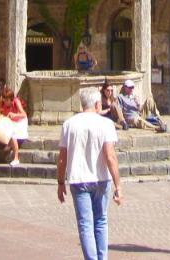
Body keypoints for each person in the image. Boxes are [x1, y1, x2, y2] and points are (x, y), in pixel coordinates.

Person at [57, 86, 123, 260]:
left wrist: (60, 182)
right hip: (101, 178)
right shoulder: (106, 124)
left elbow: (62, 158)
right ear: (96, 104)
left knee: (85, 224)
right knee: (101, 221)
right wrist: (118, 185)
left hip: (78, 179)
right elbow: (110, 156)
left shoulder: (69, 124)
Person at [0, 86, 28, 167]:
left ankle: (16, 158)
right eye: (4, 99)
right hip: (12, 122)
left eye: (7, 100)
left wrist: (14, 115)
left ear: (11, 99)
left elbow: (24, 114)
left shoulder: (16, 101)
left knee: (13, 135)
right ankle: (9, 144)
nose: (5, 102)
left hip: (21, 121)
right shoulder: (3, 103)